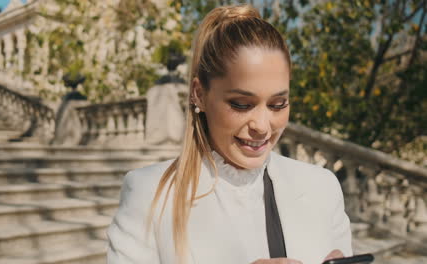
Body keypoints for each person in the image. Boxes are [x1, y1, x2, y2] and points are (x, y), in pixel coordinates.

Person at [107, 4, 352, 264]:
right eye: (241, 104)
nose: (262, 125)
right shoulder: (148, 195)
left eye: (277, 104)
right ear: (199, 94)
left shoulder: (322, 188)